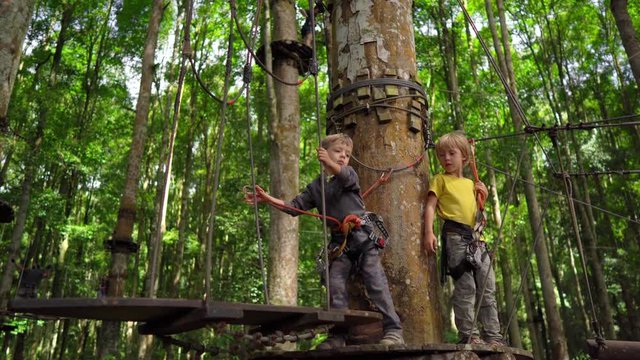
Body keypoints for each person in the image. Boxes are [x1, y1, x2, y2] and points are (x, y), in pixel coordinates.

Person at [245, 133, 404, 349]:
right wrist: (267, 198)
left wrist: (330, 161)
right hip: (341, 245)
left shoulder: (349, 176)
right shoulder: (316, 188)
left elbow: (345, 176)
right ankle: (338, 334)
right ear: (323, 151)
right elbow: (293, 207)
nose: (342, 157)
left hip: (363, 238)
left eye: (347, 154)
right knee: (334, 284)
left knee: (375, 282)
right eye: (337, 152)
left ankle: (394, 330)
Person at [422, 131, 506, 346]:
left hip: (477, 239)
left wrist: (482, 197)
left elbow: (476, 214)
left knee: (487, 287)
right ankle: (469, 335)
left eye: (452, 153)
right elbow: (430, 206)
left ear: (465, 158)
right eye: (441, 155)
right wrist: (429, 232)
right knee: (466, 287)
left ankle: (493, 336)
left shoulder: (471, 184)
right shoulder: (440, 180)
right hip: (455, 237)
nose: (446, 159)